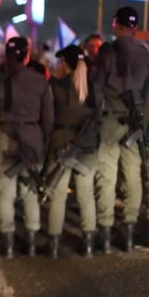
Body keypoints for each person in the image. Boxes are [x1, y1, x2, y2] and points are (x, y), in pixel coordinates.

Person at [94, 7, 149, 252]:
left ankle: (105, 230)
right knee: (133, 175)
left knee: (107, 175)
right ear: (135, 27)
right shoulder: (145, 54)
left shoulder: (107, 53)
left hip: (111, 120)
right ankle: (129, 229)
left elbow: (97, 89)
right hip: (135, 122)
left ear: (114, 23)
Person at [0, 37, 54, 258]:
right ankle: (32, 241)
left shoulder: (1, 81)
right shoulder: (40, 81)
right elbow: (48, 118)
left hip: (6, 137)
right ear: (27, 56)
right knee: (30, 191)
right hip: (32, 137)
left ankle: (8, 243)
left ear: (7, 57)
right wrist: (44, 142)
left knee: (5, 192)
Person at [45, 45, 101, 258]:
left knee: (58, 195)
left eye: (61, 61)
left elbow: (49, 116)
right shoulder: (94, 88)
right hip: (86, 145)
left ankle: (54, 243)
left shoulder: (56, 85)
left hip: (61, 141)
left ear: (65, 64)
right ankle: (88, 242)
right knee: (86, 195)